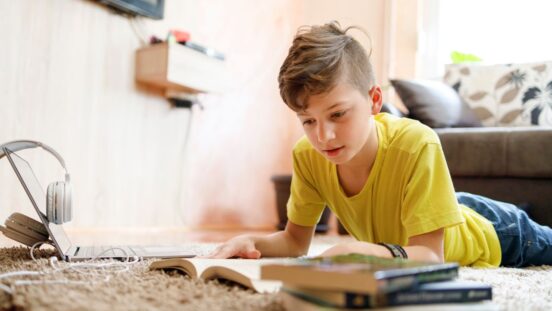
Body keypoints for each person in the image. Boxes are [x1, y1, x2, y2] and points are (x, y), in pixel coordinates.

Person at [207, 21, 552, 267]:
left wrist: (372, 253)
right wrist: (253, 242)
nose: (323, 136)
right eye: (308, 121)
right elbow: (296, 242)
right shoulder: (308, 156)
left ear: (374, 100)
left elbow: (432, 256)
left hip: (494, 230)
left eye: (338, 114)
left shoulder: (417, 143)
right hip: (436, 209)